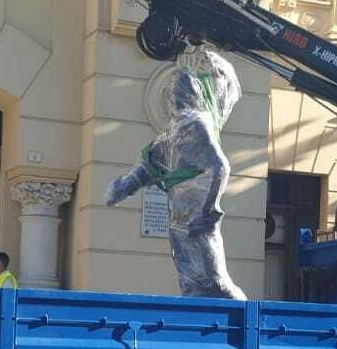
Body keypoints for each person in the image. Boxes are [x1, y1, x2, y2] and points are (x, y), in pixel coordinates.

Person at [105, 44, 246, 299]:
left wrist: (208, 206)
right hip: (180, 212)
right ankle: (195, 309)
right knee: (189, 272)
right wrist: (121, 188)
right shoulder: (175, 129)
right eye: (173, 94)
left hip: (197, 214)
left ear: (193, 93)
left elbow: (220, 166)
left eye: (179, 92)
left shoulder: (198, 124)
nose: (174, 99)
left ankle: (243, 315)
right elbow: (147, 166)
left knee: (213, 276)